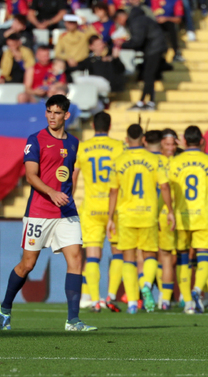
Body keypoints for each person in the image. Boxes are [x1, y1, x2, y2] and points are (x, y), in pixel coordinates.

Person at [0, 95, 97, 332]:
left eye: (57, 112)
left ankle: (73, 321)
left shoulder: (74, 142)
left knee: (75, 260)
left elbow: (67, 174)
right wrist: (52, 193)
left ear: (66, 115)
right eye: (49, 112)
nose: (52, 116)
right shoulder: (36, 140)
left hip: (66, 212)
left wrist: (65, 195)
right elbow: (31, 176)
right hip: (40, 211)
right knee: (28, 264)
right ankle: (5, 307)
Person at [107, 126, 174, 314]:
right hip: (148, 214)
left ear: (127, 139)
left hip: (126, 216)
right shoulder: (154, 159)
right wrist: (170, 210)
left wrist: (110, 217)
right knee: (150, 256)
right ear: (143, 139)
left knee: (128, 258)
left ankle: (131, 303)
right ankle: (146, 284)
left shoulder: (119, 161)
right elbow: (165, 186)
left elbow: (113, 191)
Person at [72, 111, 126, 313]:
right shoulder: (120, 147)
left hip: (92, 207)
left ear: (93, 126)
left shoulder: (83, 148)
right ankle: (110, 296)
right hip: (116, 207)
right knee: (118, 253)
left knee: (93, 256)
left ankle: (95, 300)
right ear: (110, 126)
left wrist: (68, 201)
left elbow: (74, 178)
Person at [169, 126, 208, 314]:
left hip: (181, 216)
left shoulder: (175, 162)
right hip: (203, 215)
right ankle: (198, 289)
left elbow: (171, 191)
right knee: (204, 256)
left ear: (184, 141)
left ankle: (188, 303)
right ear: (201, 141)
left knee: (183, 258)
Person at [115, 8, 168, 111]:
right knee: (149, 75)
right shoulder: (139, 19)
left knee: (148, 75)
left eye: (118, 21)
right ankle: (149, 102)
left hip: (154, 48)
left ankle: (143, 102)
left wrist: (122, 44)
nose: (120, 24)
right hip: (154, 47)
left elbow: (137, 42)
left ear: (121, 17)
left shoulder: (135, 22)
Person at [156, 129, 179, 310]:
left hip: (180, 214)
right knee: (164, 257)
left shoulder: (180, 161)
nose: (170, 147)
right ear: (161, 144)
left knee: (173, 258)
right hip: (162, 214)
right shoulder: (157, 161)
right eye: (167, 144)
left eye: (173, 144)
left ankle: (166, 297)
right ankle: (164, 297)